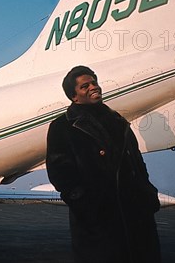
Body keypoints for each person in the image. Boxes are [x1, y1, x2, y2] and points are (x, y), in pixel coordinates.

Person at [46, 66, 161, 263]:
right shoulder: (62, 127)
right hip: (98, 219)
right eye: (85, 86)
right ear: (74, 96)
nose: (94, 87)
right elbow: (60, 173)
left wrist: (148, 194)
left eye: (94, 82)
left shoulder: (118, 121)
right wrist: (86, 205)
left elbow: (137, 162)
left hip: (136, 214)